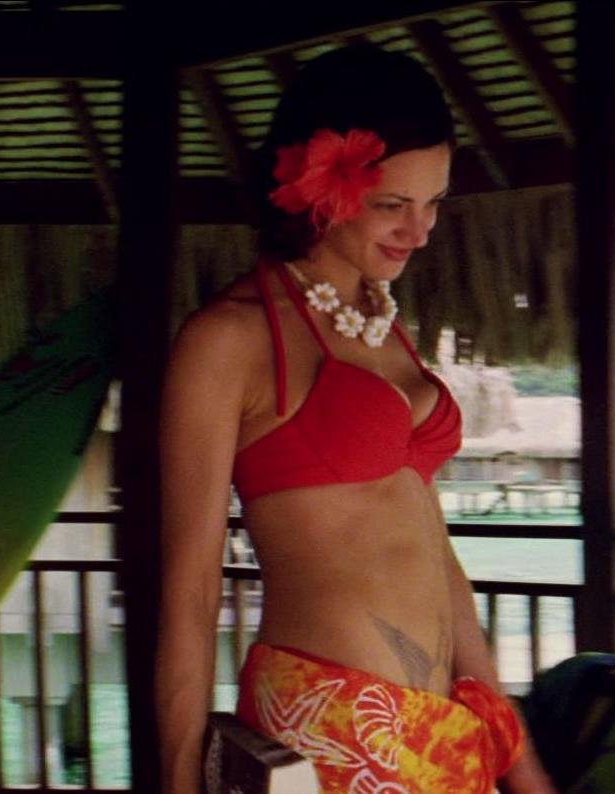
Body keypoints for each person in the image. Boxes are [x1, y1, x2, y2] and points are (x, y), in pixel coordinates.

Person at [156, 45, 556, 794]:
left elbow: (435, 558)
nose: (420, 230)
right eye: (393, 204)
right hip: (330, 729)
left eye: (433, 202)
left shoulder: (383, 324)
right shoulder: (229, 340)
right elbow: (190, 592)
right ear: (320, 186)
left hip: (442, 739)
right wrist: (178, 782)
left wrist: (521, 765)